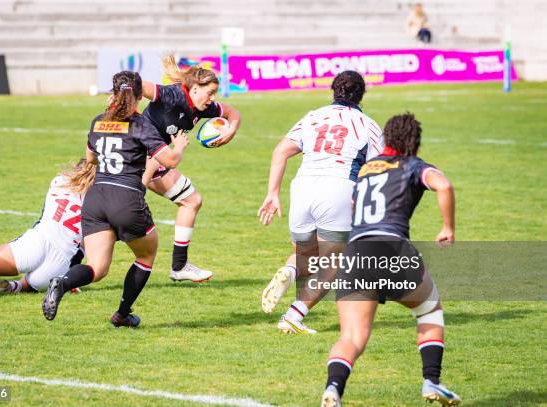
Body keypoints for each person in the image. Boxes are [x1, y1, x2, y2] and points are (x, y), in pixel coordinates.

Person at [320, 113, 461, 406]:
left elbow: (352, 204)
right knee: (429, 309)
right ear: (414, 142)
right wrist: (448, 227)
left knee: (352, 337)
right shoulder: (413, 165)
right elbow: (444, 186)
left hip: (355, 254)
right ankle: (431, 382)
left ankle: (333, 389)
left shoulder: (366, 170)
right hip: (391, 248)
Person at [42, 70, 189, 327]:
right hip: (126, 198)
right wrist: (179, 145)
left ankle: (62, 282)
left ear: (113, 93)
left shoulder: (98, 121)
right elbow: (170, 160)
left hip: (96, 199)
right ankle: (121, 314)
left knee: (97, 267)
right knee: (145, 256)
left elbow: (90, 159)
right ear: (139, 95)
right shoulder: (140, 123)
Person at [258, 70, 384, 334]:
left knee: (305, 255)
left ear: (333, 91)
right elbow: (378, 169)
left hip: (302, 188)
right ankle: (293, 316)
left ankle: (290, 271)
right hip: (338, 190)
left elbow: (280, 152)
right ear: (361, 96)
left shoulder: (312, 117)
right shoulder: (369, 125)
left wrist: (272, 193)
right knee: (331, 263)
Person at [139, 56, 242, 283]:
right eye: (210, 92)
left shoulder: (202, 107)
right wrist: (122, 104)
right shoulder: (174, 95)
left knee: (191, 200)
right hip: (138, 159)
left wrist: (230, 131)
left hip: (156, 161)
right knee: (118, 216)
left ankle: (179, 266)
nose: (213, 99)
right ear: (195, 88)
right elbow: (140, 86)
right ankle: (73, 264)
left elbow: (233, 113)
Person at [0, 159, 95, 297]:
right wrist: (71, 277)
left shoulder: (59, 181)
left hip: (37, 242)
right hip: (62, 263)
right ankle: (15, 286)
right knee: (31, 284)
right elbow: (88, 242)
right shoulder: (100, 201)